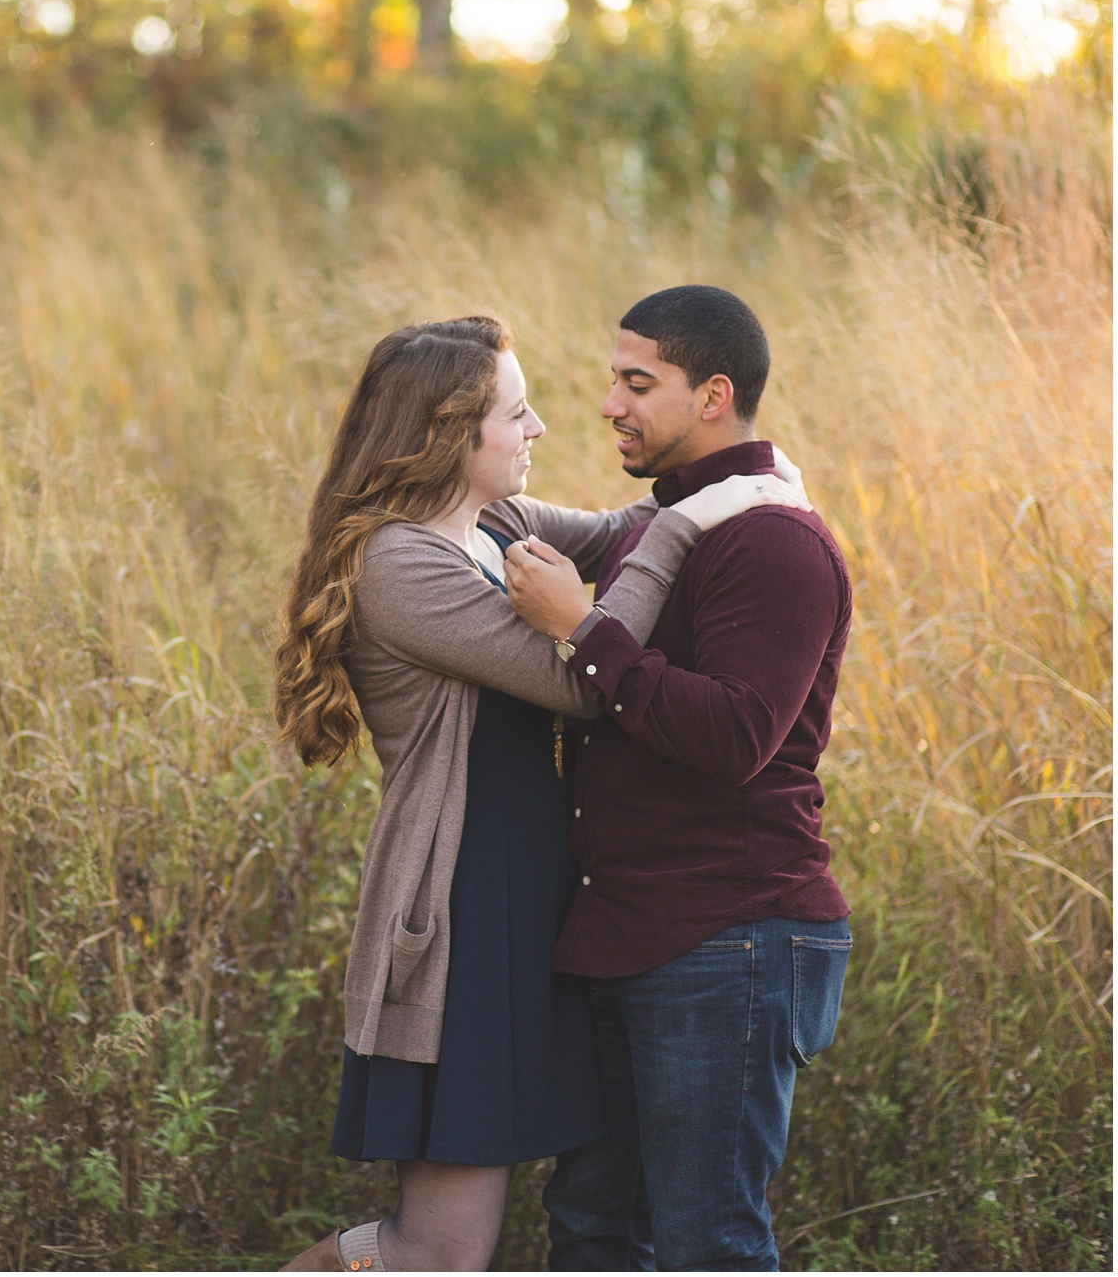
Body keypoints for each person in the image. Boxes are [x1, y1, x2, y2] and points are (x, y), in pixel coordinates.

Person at [272, 316, 810, 1273]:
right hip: (461, 907)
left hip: (538, 905)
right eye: (517, 415)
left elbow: (622, 534)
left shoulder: (493, 527)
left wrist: (746, 487)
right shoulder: (397, 564)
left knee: (561, 1223)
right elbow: (574, 673)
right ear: (449, 434)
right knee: (441, 1251)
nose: (540, 430)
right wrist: (694, 519)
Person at [505, 285, 853, 1271]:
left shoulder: (770, 540)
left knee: (705, 1244)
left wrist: (580, 630)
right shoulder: (658, 525)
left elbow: (736, 733)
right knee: (592, 1234)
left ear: (712, 394)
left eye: (634, 382)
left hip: (729, 931)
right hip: (629, 930)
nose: (608, 403)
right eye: (610, 379)